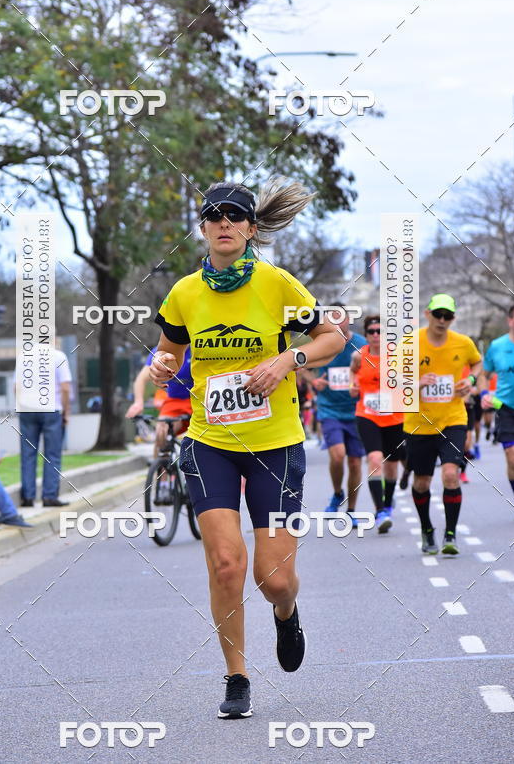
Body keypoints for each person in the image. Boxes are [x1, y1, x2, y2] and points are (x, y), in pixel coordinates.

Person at [149, 179, 344, 720]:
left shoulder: (277, 283)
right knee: (228, 565)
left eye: (235, 216)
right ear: (204, 228)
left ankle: (286, 612)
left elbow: (331, 338)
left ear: (252, 228)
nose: (225, 224)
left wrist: (288, 361)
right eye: (214, 217)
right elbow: (166, 353)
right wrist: (159, 366)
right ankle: (236, 676)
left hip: (276, 446)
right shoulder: (185, 292)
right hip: (210, 442)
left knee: (271, 577)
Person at [404, 294, 482, 555]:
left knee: (450, 475)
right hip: (419, 423)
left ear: (453, 318)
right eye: (437, 314)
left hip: (453, 419)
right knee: (422, 483)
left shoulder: (463, 343)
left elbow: (478, 363)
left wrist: (470, 381)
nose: (442, 320)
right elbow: (392, 382)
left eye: (447, 316)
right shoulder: (410, 342)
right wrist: (417, 384)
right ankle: (427, 530)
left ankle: (451, 534)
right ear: (427, 314)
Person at [350, 314, 404, 533]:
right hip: (367, 414)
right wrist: (353, 386)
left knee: (392, 466)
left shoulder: (398, 356)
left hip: (395, 416)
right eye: (371, 331)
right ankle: (380, 511)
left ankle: (388, 504)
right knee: (374, 459)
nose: (375, 335)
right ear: (366, 335)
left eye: (380, 331)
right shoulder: (358, 357)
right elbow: (353, 374)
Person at [313, 303, 367, 523]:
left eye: (340, 318)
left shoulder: (361, 344)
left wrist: (361, 385)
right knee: (337, 455)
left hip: (356, 410)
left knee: (354, 462)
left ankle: (351, 510)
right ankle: (337, 494)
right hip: (329, 408)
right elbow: (301, 368)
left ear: (349, 320)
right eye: (331, 318)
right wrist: (314, 380)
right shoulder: (321, 342)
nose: (337, 322)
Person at [17, 344, 72, 507]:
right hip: (52, 410)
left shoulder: (23, 357)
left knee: (27, 454)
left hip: (27, 410)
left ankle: (27, 497)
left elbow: (16, 387)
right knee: (52, 455)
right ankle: (49, 496)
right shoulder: (59, 356)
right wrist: (66, 412)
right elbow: (65, 388)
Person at [125, 345, 193, 457]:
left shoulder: (197, 348)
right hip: (174, 400)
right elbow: (141, 379)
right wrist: (138, 402)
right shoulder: (160, 351)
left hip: (198, 400)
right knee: (160, 432)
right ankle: (162, 470)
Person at [482, 303, 514, 518]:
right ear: (510, 321)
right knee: (512, 458)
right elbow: (484, 376)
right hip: (505, 408)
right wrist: (485, 394)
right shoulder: (497, 346)